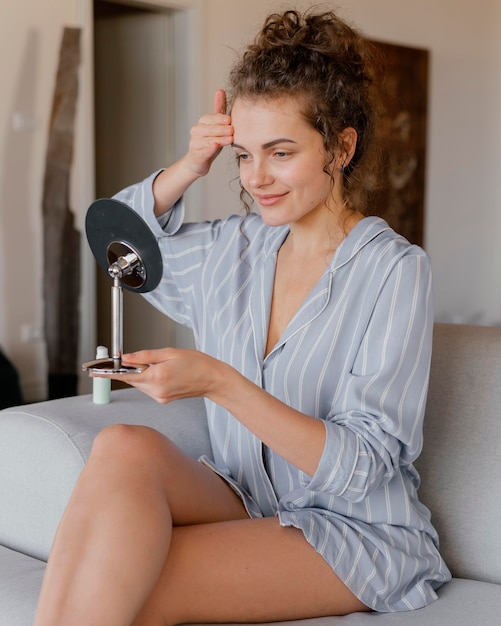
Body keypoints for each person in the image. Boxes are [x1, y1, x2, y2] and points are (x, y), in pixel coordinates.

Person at [33, 8, 451, 625]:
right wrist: (189, 166)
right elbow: (115, 243)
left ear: (341, 146)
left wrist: (217, 382)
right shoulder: (234, 247)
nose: (257, 179)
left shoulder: (394, 271)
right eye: (243, 156)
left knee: (131, 581)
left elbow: (364, 468)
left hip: (356, 530)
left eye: (281, 153)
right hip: (248, 500)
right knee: (122, 446)